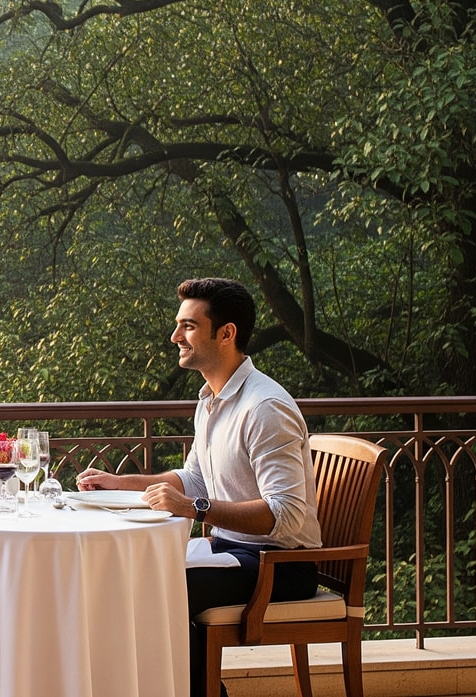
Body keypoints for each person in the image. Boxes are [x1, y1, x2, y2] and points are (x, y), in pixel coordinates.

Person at [76, 278, 321, 697]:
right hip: (231, 551)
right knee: (123, 579)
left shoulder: (264, 408)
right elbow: (193, 479)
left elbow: (286, 515)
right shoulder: (211, 399)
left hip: (279, 566)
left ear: (226, 334)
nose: (175, 337)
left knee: (151, 589)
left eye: (188, 326)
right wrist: (119, 483)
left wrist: (197, 509)